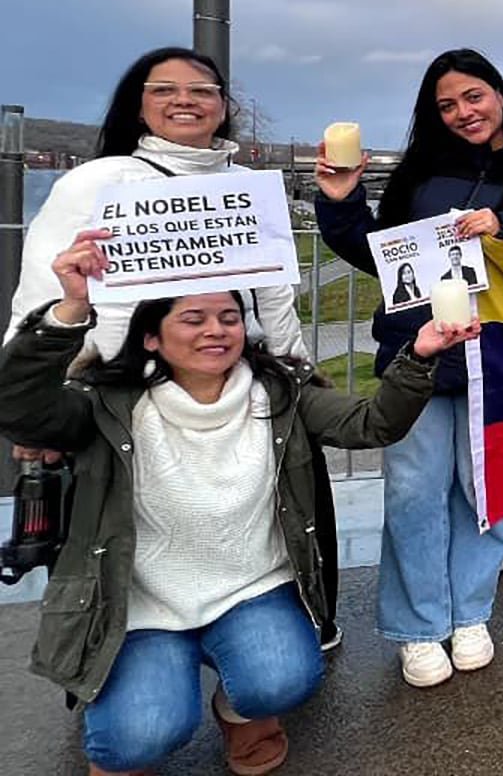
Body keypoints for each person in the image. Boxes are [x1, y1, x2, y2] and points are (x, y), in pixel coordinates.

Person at [0, 228, 477, 776]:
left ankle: (242, 711)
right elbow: (19, 407)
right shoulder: (107, 405)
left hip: (251, 591)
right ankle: (133, 705)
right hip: (141, 606)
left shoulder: (280, 391)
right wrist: (69, 310)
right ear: (151, 337)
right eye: (193, 319)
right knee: (138, 736)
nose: (215, 331)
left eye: (228, 317)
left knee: (283, 676)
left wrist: (419, 356)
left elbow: (372, 424)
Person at [0, 48, 337, 650]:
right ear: (138, 103)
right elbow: (43, 291)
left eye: (201, 90)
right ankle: (109, 657)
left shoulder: (247, 188)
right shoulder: (94, 182)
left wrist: (299, 369)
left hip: (241, 390)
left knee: (262, 523)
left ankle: (276, 644)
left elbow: (273, 297)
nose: (185, 100)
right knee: (120, 533)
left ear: (223, 106)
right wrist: (38, 400)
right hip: (124, 396)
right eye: (165, 89)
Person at [314, 48, 503, 687]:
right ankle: (417, 627)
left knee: (484, 494)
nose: (463, 112)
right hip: (422, 358)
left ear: (499, 94)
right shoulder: (419, 172)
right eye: (446, 105)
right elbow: (377, 255)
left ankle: (471, 613)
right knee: (413, 494)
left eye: (473, 96)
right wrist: (339, 202)